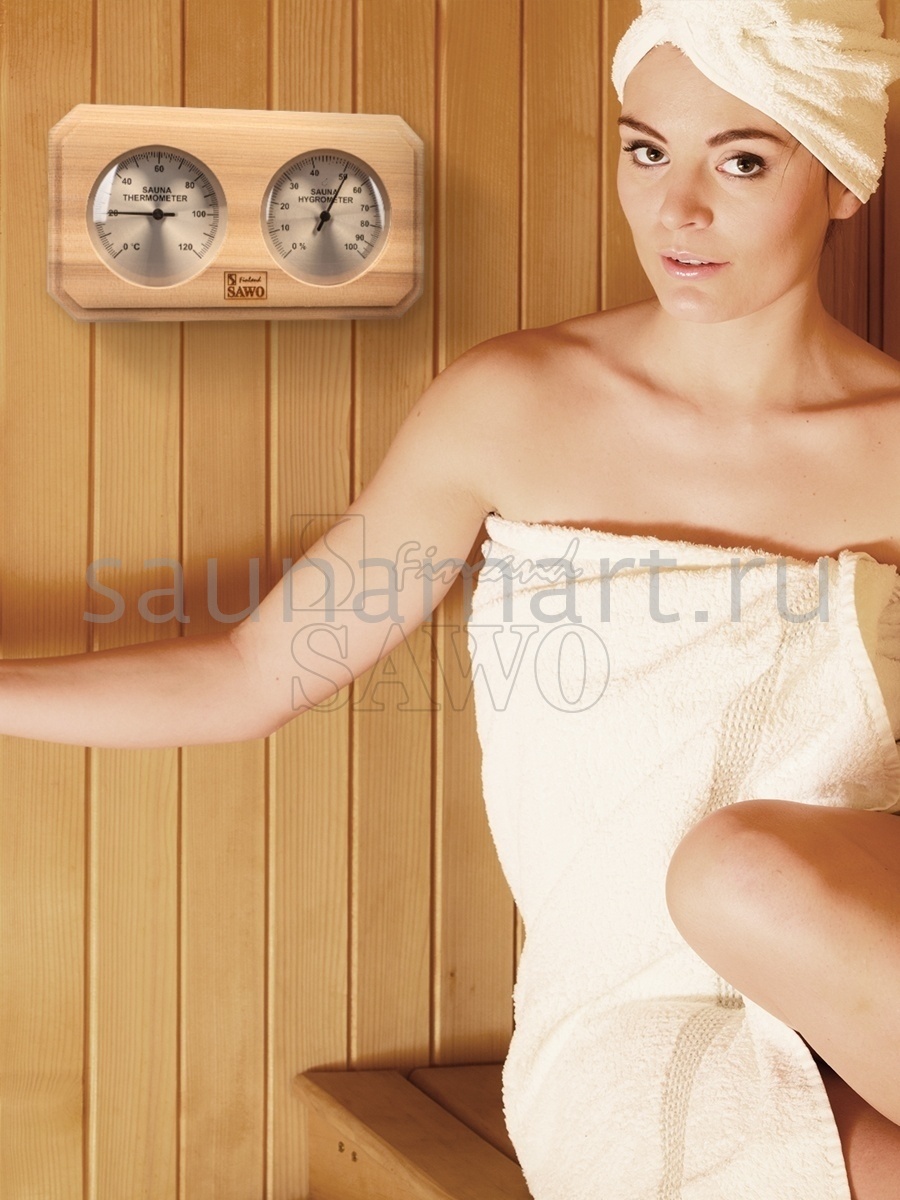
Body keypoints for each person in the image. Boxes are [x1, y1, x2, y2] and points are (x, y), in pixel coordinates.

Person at [4, 0, 900, 1195]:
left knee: (748, 871)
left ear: (839, 178)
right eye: (647, 152)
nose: (677, 210)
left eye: (741, 162)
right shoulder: (514, 407)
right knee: (735, 888)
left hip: (863, 956)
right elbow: (254, 673)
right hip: (633, 1019)